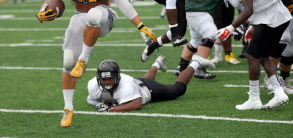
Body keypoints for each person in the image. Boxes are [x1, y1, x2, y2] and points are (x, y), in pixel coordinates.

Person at [36, 0, 157, 127]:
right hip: (79, 16)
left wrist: (140, 25)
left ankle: (84, 60)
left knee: (93, 15)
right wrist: (44, 11)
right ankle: (68, 109)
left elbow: (121, 2)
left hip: (103, 15)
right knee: (68, 64)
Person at [213, 0, 291, 110]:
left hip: (270, 18)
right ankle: (278, 92)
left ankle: (254, 98)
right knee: (263, 56)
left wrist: (230, 27)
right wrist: (253, 25)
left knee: (252, 55)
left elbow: (248, 9)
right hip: (277, 16)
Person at [87, 54, 215, 112]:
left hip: (149, 90)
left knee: (178, 90)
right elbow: (91, 100)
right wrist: (102, 103)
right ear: (99, 79)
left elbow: (136, 104)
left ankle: (195, 62)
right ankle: (157, 63)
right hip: (139, 84)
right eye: (104, 79)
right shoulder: (93, 86)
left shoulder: (125, 84)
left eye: (110, 78)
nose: (107, 82)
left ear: (118, 77)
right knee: (145, 79)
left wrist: (111, 109)